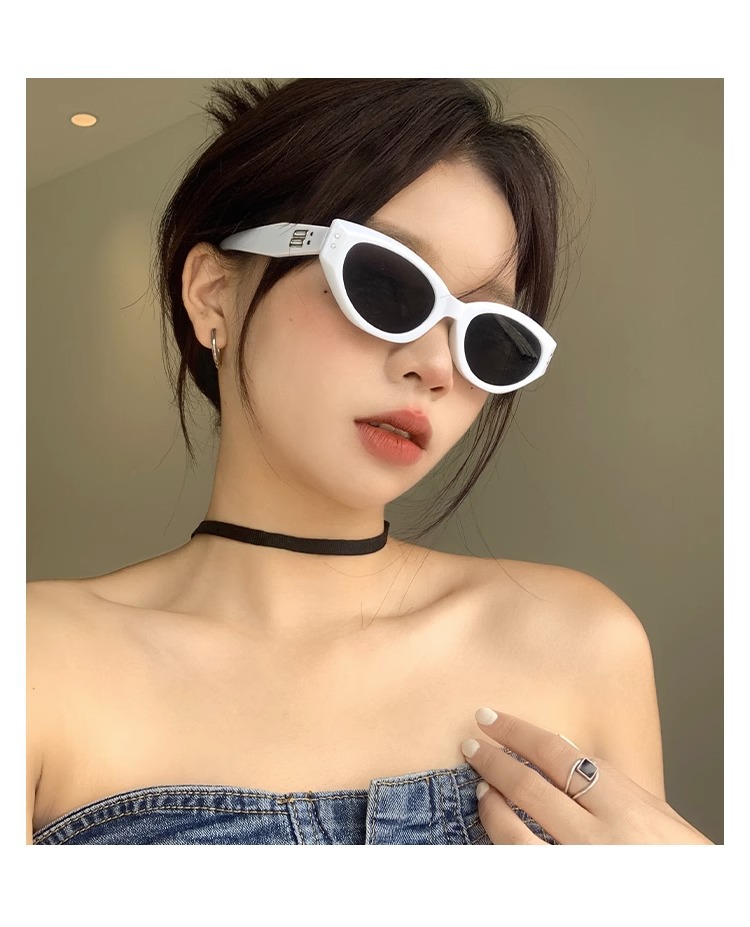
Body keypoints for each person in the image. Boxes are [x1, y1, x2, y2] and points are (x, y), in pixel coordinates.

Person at [26, 78, 713, 845]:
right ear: (214, 293)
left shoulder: (582, 639)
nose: (437, 365)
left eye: (488, 333)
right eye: (387, 284)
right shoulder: (37, 659)